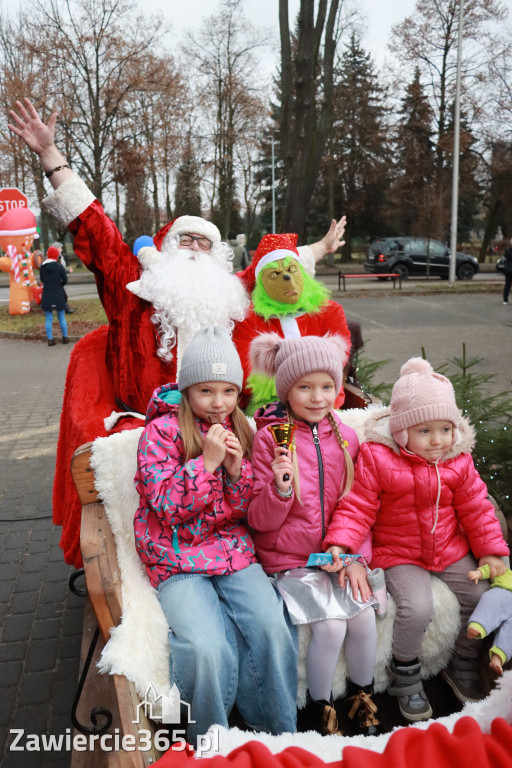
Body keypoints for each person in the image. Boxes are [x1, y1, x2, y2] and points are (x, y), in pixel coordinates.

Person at [8, 97, 345, 568]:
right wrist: (51, 156)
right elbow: (96, 230)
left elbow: (273, 267)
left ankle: (246, 553)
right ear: (164, 249)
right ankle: (143, 562)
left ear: (217, 257)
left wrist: (320, 249)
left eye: (204, 242)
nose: (193, 248)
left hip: (225, 422)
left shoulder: (230, 293)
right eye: (184, 239)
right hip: (153, 427)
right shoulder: (134, 287)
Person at [133, 326, 298, 744]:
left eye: (228, 391)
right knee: (206, 646)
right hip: (175, 557)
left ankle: (279, 734)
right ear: (187, 389)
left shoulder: (239, 427)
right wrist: (205, 464)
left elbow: (242, 512)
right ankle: (207, 740)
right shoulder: (160, 432)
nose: (218, 402)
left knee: (272, 625)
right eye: (206, 391)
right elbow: (165, 506)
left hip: (230, 550)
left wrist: (237, 473)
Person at [326, 358, 509, 722]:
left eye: (445, 429)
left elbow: (476, 508)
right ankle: (405, 673)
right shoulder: (379, 458)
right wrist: (342, 543)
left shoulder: (457, 459)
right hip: (399, 552)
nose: (437, 440)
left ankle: (463, 660)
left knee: (478, 596)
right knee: (417, 608)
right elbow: (359, 505)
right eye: (424, 431)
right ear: (400, 431)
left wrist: (490, 552)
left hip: (449, 547)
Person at [247, 333, 380, 737]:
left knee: (363, 617)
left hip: (339, 555)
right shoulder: (270, 440)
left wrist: (355, 557)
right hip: (290, 561)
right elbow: (258, 521)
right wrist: (280, 488)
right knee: (331, 627)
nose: (317, 397)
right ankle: (321, 709)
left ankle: (362, 696)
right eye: (305, 387)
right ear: (287, 390)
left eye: (326, 386)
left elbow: (359, 507)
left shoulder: (348, 438)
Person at [467, 564, 512, 675]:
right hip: (502, 596)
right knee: (491, 598)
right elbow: (491, 569)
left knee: (509, 633)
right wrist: (478, 573)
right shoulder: (507, 574)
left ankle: (498, 658)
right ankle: (477, 626)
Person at [40, 246, 69, 345]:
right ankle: (65, 338)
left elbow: (42, 280)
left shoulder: (43, 267)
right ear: (56, 255)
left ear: (48, 254)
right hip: (58, 294)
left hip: (47, 294)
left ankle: (50, 339)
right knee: (62, 317)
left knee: (48, 319)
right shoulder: (59, 266)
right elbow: (65, 279)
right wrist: (59, 285)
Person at [49, 240, 76, 313]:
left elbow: (61, 268)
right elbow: (58, 269)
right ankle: (65, 310)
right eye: (60, 248)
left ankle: (65, 309)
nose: (61, 249)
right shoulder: (55, 258)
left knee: (62, 295)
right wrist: (67, 271)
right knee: (62, 295)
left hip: (58, 280)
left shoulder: (59, 257)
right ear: (56, 249)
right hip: (55, 280)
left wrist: (67, 270)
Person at [502, 237, 512, 304]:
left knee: (507, 285)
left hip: (508, 269)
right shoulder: (508, 250)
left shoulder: (507, 250)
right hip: (509, 269)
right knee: (507, 285)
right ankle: (505, 299)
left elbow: (506, 256)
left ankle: (505, 299)